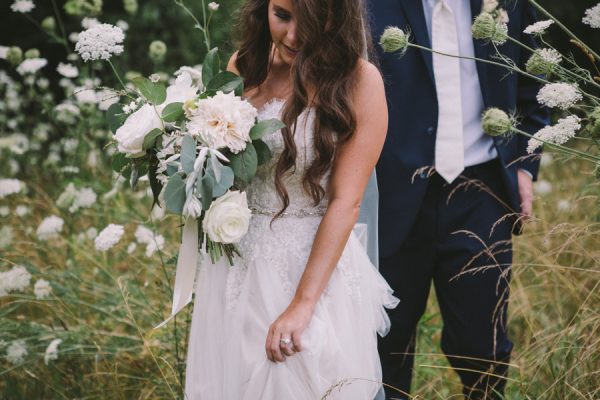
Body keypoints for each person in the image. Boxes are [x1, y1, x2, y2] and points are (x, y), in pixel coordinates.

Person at [184, 0, 398, 398]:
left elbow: (346, 202)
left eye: (312, 20)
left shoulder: (359, 81)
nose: (294, 35)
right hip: (237, 264)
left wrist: (303, 303)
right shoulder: (243, 65)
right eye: (281, 15)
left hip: (312, 266)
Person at [367, 0, 548, 398]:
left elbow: (535, 83)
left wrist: (523, 165)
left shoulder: (507, 4)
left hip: (481, 193)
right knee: (384, 341)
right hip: (390, 192)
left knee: (483, 346)